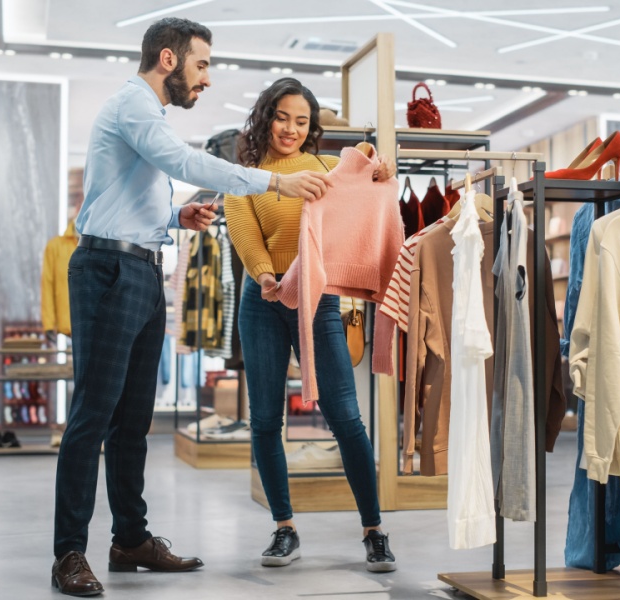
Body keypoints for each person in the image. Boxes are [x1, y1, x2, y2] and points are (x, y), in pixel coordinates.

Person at [51, 20, 332, 597]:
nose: (206, 77)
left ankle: (130, 538)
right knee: (93, 416)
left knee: (133, 421)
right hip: (108, 270)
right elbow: (181, 162)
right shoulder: (135, 104)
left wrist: (172, 219)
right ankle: (68, 553)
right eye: (201, 65)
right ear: (168, 58)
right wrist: (273, 185)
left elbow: (126, 194)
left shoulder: (147, 114)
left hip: (141, 266)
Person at [224, 78, 398, 573]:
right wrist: (264, 275)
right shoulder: (248, 175)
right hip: (263, 300)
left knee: (345, 415)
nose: (291, 129)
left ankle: (374, 530)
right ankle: (284, 527)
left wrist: (380, 170)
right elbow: (244, 232)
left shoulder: (324, 168)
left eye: (302, 121)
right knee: (264, 419)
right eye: (283, 117)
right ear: (266, 116)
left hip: (318, 301)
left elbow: (368, 185)